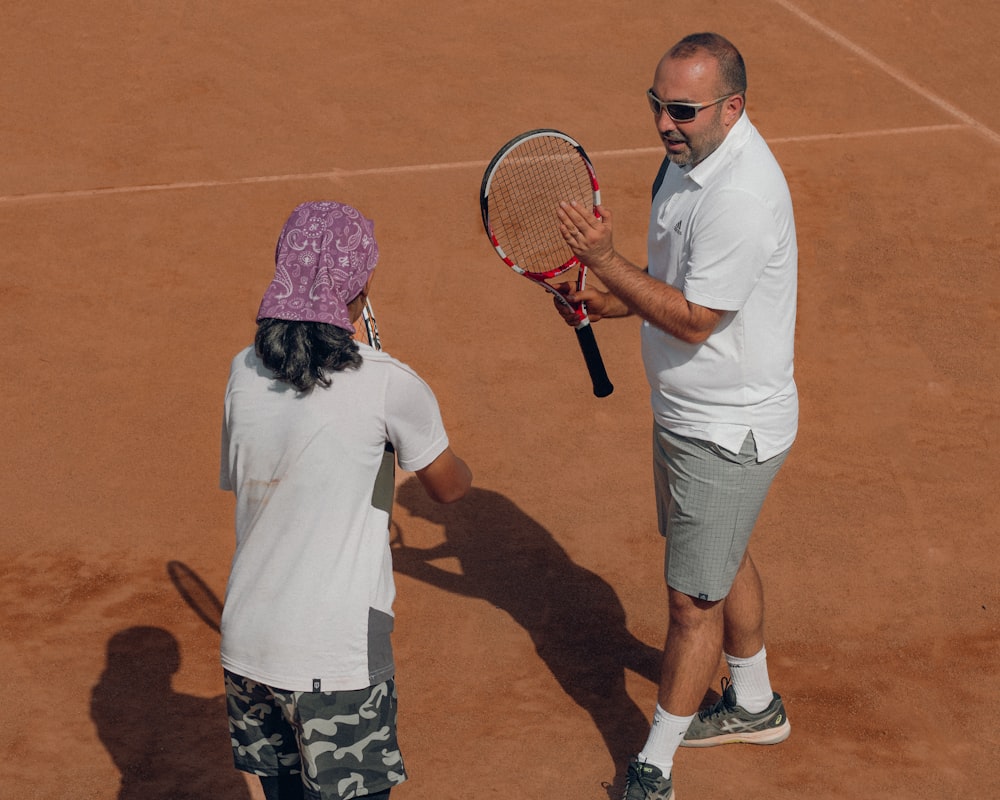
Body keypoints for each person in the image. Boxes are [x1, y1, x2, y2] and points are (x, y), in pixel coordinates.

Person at [555, 33, 797, 800]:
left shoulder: (741, 196)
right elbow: (668, 284)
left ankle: (654, 766)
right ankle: (753, 703)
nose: (665, 122)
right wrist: (602, 296)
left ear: (734, 108)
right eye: (657, 104)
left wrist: (604, 265)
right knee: (719, 561)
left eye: (683, 110)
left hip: (727, 428)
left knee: (692, 604)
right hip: (689, 413)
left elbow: (694, 319)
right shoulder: (689, 160)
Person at [218, 200, 472, 800]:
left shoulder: (242, 372)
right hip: (334, 657)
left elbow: (272, 479)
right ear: (359, 289)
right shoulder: (389, 383)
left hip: (248, 647)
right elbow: (450, 486)